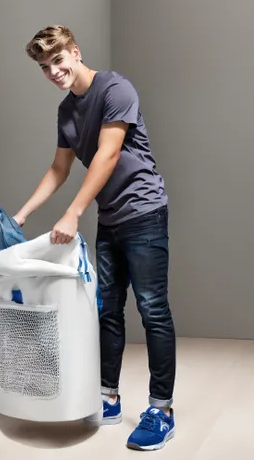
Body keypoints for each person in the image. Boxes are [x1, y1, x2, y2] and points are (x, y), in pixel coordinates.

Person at [13, 25, 176, 451]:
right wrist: (22, 214)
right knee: (106, 310)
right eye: (45, 67)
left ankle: (162, 409)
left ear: (75, 53)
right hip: (111, 219)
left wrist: (73, 212)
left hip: (143, 211)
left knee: (153, 309)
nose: (53, 71)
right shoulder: (66, 112)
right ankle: (109, 397)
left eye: (58, 61)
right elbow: (59, 169)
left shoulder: (115, 89)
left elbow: (107, 154)